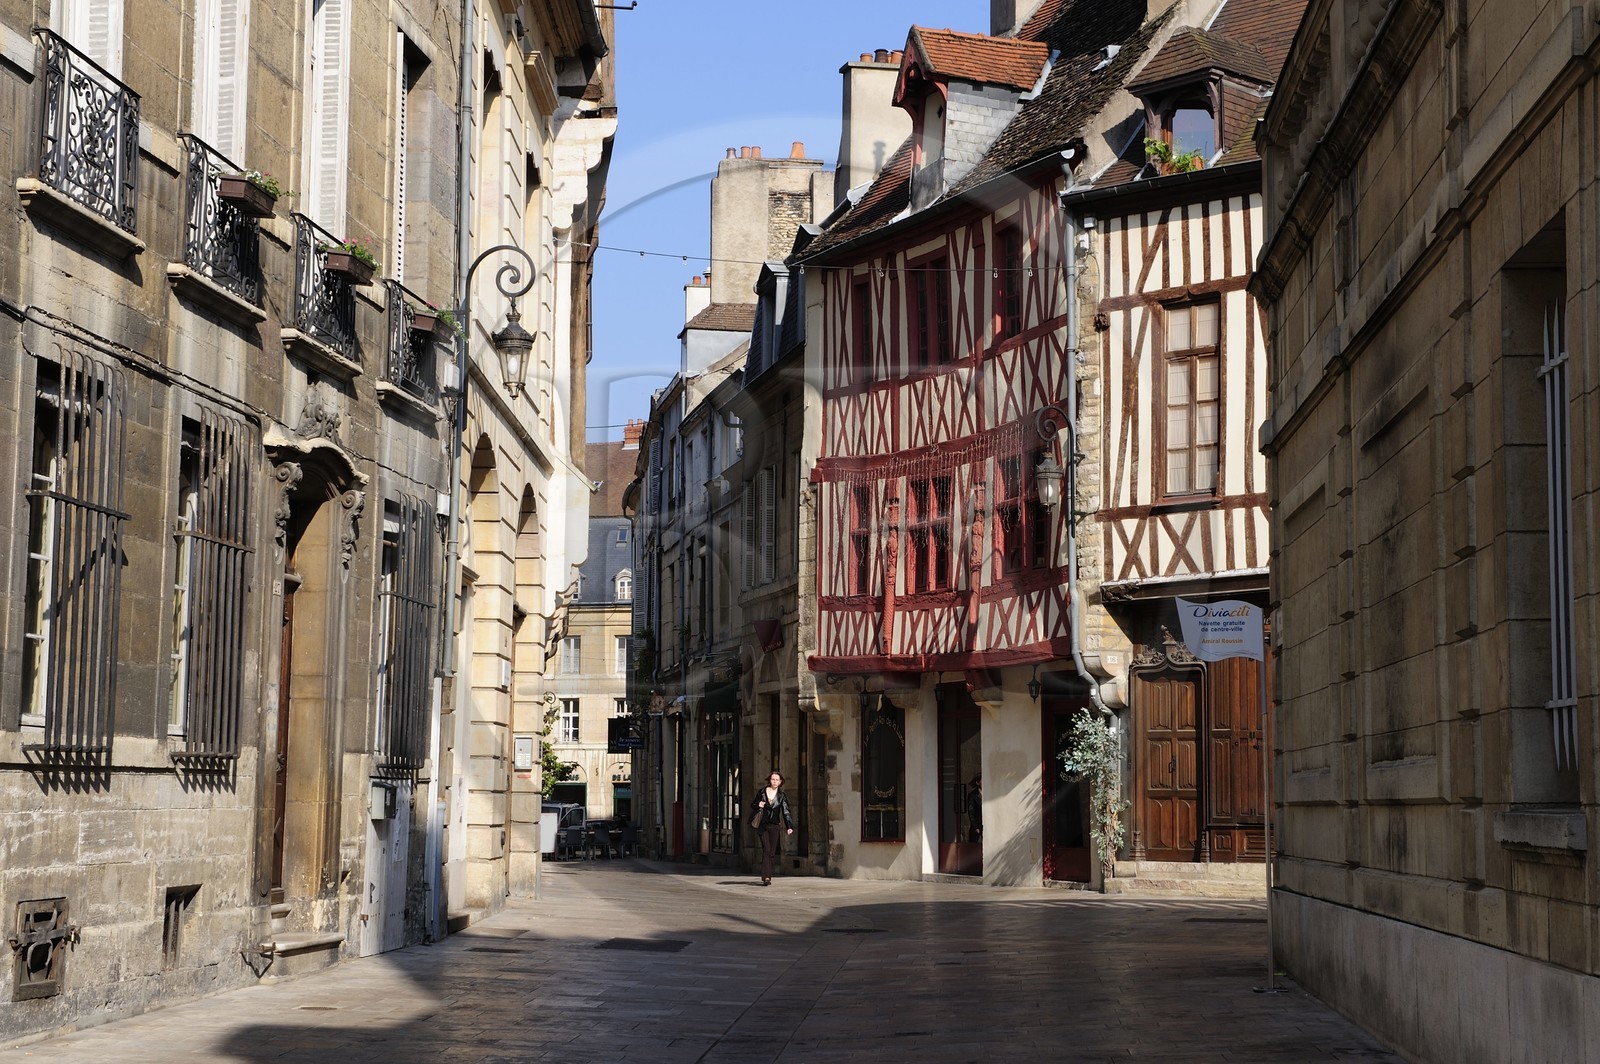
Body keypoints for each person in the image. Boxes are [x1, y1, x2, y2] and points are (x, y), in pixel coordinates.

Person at [750, 770, 794, 886]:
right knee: (767, 849)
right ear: (770, 780)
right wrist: (758, 804)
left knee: (772, 852)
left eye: (777, 780)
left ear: (780, 782)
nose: (774, 782)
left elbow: (786, 812)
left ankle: (769, 873)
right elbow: (753, 804)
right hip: (763, 826)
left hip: (775, 826)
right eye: (773, 779)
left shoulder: (782, 796)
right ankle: (766, 877)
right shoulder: (762, 792)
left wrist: (789, 826)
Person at [966, 774, 983, 842]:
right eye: (982, 781)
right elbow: (971, 812)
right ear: (977, 782)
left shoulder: (988, 793)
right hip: (977, 825)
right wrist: (975, 826)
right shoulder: (972, 795)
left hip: (986, 824)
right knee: (973, 845)